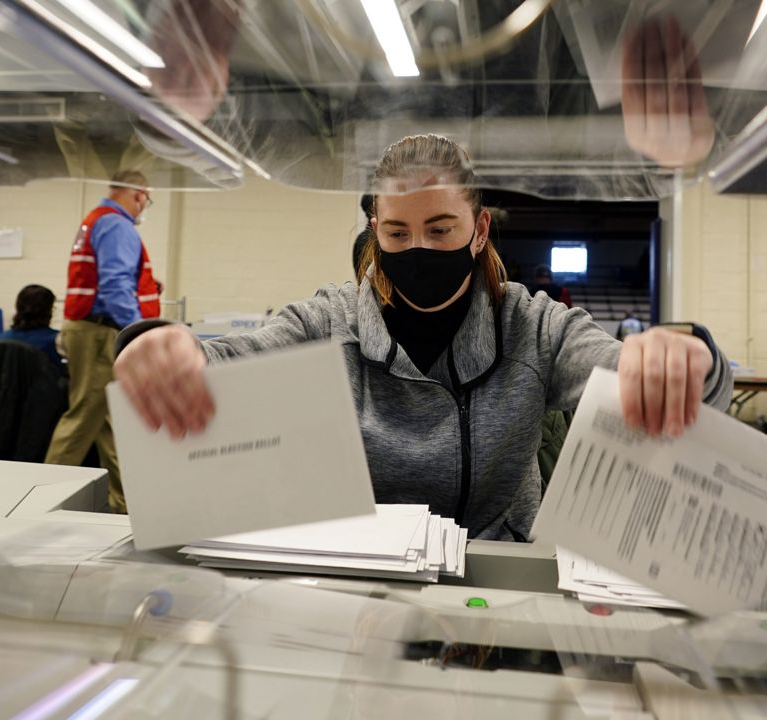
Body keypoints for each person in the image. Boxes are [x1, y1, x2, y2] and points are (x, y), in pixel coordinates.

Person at [113, 135, 731, 540]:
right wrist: (166, 346)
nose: (419, 250)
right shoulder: (331, 320)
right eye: (398, 232)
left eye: (441, 230)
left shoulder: (533, 325)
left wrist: (685, 359)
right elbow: (233, 357)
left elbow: (642, 375)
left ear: (480, 229)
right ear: (375, 231)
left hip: (502, 588)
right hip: (361, 589)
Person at [45, 170, 161, 513]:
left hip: (90, 330)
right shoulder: (116, 225)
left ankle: (126, 505)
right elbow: (114, 285)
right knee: (83, 419)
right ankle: (40, 499)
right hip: (101, 333)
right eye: (147, 201)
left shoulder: (96, 220)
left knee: (111, 423)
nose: (143, 209)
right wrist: (138, 332)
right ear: (139, 195)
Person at [0, 284, 63, 370]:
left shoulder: (2, 338)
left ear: (18, 307)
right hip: (45, 383)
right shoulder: (57, 340)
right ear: (49, 310)